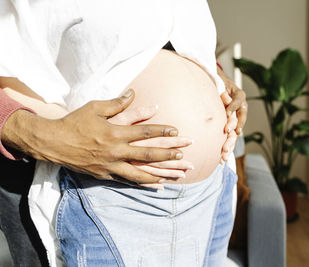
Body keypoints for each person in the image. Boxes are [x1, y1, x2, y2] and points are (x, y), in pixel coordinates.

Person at [0, 1, 248, 266]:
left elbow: (162, 40)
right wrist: (49, 136)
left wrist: (215, 76)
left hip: (212, 192)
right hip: (113, 195)